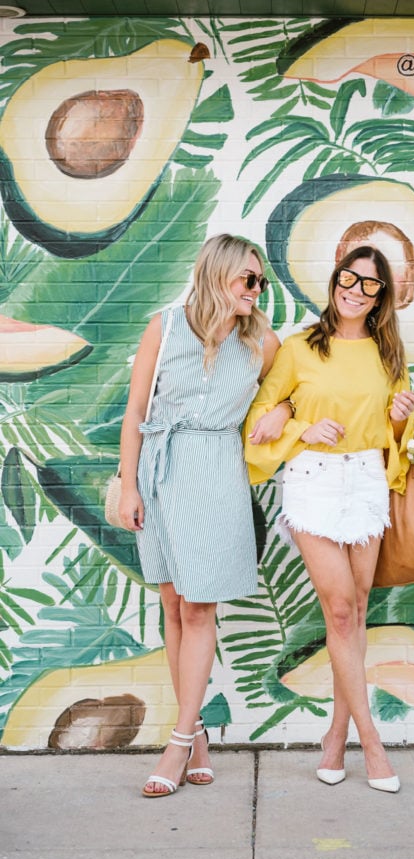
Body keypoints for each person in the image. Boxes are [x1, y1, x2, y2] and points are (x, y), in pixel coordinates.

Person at [119, 233, 290, 797]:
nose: (257, 289)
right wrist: (128, 484)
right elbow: (136, 410)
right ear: (217, 275)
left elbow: (296, 391)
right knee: (171, 602)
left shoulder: (261, 341)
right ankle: (195, 737)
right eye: (249, 279)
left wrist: (284, 407)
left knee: (198, 606)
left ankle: (176, 743)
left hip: (215, 471)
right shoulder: (164, 327)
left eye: (260, 280)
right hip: (159, 470)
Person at [244, 245, 414, 793]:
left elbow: (396, 441)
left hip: (366, 481)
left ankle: (335, 736)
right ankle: (372, 744)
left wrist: (397, 422)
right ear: (335, 279)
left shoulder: (389, 355)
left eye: (370, 284)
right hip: (314, 482)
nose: (356, 290)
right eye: (350, 277)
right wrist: (299, 429)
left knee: (356, 612)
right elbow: (257, 424)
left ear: (381, 297)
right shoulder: (297, 349)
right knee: (340, 610)